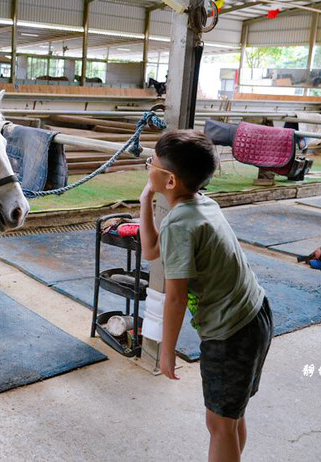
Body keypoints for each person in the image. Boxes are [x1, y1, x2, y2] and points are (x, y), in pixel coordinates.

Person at [139, 130, 273, 462]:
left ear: (170, 180)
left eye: (152, 162)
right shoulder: (203, 204)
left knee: (219, 424)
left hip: (231, 333)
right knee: (230, 417)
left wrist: (166, 351)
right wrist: (145, 201)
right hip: (255, 316)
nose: (148, 166)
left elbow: (175, 298)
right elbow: (150, 250)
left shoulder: (179, 225)